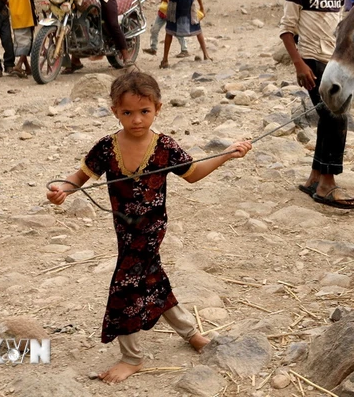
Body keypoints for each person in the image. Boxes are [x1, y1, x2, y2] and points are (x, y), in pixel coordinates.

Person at [46, 70, 252, 384]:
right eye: (127, 112)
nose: (137, 119)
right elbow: (78, 178)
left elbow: (193, 173)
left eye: (144, 111)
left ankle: (132, 357)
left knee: (126, 286)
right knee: (152, 277)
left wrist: (226, 156)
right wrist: (62, 191)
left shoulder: (165, 147)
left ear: (158, 108)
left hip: (152, 230)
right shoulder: (105, 147)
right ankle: (191, 333)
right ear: (115, 111)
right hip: (126, 232)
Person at [279, 0, 354, 210]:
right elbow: (287, 30)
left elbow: (339, 25)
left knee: (329, 117)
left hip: (335, 62)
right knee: (336, 117)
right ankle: (328, 185)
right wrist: (299, 63)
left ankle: (315, 177)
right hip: (312, 62)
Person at [0, 0, 49, 77]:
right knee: (27, 42)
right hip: (26, 15)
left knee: (21, 42)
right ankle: (18, 66)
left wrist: (11, 4)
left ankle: (27, 68)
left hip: (15, 17)